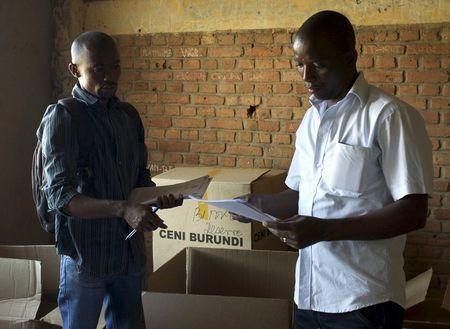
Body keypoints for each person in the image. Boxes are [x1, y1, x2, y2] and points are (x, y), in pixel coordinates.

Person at [232, 11, 433, 329]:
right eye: (299, 64)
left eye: (319, 64)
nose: (306, 77)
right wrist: (257, 206)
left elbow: (414, 211)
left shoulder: (389, 117)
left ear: (350, 57)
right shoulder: (311, 121)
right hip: (309, 298)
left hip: (364, 302)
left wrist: (324, 230)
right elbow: (300, 193)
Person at [38, 31, 183, 329]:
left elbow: (140, 178)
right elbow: (59, 196)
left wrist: (156, 199)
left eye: (115, 66)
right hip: (86, 257)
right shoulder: (64, 117)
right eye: (98, 68)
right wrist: (123, 209)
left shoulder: (128, 116)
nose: (109, 75)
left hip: (128, 256)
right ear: (74, 70)